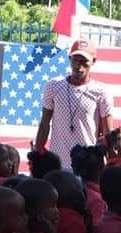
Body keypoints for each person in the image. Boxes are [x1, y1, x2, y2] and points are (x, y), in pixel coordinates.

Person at [33, 39, 115, 170]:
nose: (78, 66)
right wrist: (37, 154)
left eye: (84, 61)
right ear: (69, 58)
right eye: (75, 60)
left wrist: (111, 165)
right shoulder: (53, 86)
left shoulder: (101, 92)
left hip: (88, 167)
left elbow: (108, 133)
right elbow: (44, 123)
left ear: (93, 61)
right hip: (58, 164)